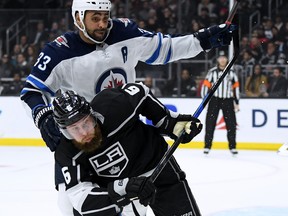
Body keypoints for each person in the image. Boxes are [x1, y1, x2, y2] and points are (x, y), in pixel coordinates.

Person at [19, 0, 235, 214]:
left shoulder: (125, 32)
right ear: (78, 18)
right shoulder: (59, 51)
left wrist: (203, 40)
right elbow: (31, 92)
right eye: (95, 19)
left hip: (128, 136)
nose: (103, 24)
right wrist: (44, 116)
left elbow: (164, 48)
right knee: (69, 204)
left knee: (136, 203)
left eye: (105, 17)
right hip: (86, 143)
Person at [53, 83, 203, 216]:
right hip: (123, 195)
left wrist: (168, 121)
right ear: (64, 132)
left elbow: (140, 91)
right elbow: (81, 199)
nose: (84, 132)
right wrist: (121, 189)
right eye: (74, 129)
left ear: (93, 115)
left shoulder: (114, 106)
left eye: (86, 123)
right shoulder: (66, 152)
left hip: (158, 169)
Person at [201, 50, 240, 155]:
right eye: (220, 58)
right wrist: (205, 101)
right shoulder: (212, 72)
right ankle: (207, 146)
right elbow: (205, 86)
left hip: (228, 100)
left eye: (224, 58)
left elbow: (236, 89)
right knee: (210, 123)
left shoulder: (232, 73)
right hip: (215, 100)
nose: (222, 60)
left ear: (227, 59)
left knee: (231, 124)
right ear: (218, 60)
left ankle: (232, 146)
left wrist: (237, 102)